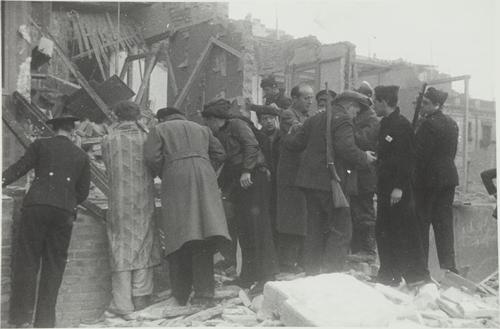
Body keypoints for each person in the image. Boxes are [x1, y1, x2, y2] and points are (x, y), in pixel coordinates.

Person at [3, 114, 91, 328]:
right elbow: (83, 192)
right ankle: (44, 322)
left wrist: (2, 180)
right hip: (64, 211)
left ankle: (20, 319)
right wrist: (67, 200)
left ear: (55, 129)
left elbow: (20, 168)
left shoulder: (40, 145)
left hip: (36, 207)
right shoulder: (81, 155)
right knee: (54, 265)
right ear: (72, 131)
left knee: (27, 262)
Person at [144, 106, 230, 306]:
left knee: (179, 235)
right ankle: (205, 294)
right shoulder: (202, 129)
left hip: (176, 178)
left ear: (162, 118)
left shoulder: (159, 129)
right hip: (205, 176)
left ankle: (181, 294)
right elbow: (220, 154)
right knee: (204, 233)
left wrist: (165, 171)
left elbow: (151, 158)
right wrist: (205, 167)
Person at [284, 91, 376, 274]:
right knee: (342, 229)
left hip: (310, 183)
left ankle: (312, 272)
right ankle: (332, 274)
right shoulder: (342, 119)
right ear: (349, 105)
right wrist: (364, 157)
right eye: (356, 110)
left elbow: (294, 144)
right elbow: (346, 148)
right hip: (332, 183)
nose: (356, 115)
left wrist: (290, 131)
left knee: (314, 229)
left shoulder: (316, 118)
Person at [202, 99, 278, 293]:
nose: (207, 126)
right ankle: (248, 276)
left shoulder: (237, 124)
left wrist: (246, 171)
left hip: (254, 178)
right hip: (240, 182)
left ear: (213, 119)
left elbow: (251, 146)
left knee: (258, 229)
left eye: (207, 121)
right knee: (244, 230)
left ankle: (266, 278)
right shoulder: (221, 132)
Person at [101, 101, 161, 317]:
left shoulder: (108, 139)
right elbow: (155, 164)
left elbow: (108, 166)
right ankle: (142, 297)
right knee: (144, 241)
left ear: (117, 117)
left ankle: (122, 303)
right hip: (143, 197)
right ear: (137, 117)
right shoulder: (146, 137)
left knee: (120, 247)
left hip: (119, 200)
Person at [372, 85, 430, 287]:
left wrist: (398, 187)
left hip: (398, 190)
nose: (373, 105)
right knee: (384, 231)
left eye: (375, 101)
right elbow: (390, 156)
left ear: (384, 102)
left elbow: (407, 159)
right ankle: (388, 274)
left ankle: (417, 277)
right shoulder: (387, 124)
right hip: (386, 187)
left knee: (403, 233)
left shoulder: (401, 125)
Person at [414, 87, 460, 274]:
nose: (422, 106)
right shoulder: (452, 123)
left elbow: (420, 155)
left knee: (421, 223)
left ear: (437, 105)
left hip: (428, 181)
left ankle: (420, 267)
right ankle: (449, 267)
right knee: (444, 224)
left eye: (426, 103)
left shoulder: (427, 124)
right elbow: (452, 152)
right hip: (448, 178)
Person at [274, 83, 315, 273]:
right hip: (291, 175)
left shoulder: (307, 117)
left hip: (303, 174)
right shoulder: (288, 115)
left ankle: (300, 261)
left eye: (311, 98)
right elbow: (299, 132)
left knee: (302, 218)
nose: (310, 101)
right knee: (291, 218)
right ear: (295, 99)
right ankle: (287, 263)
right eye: (306, 98)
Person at [348, 84, 380, 262]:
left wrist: (348, 129)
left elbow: (364, 140)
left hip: (366, 173)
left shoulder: (372, 119)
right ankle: (358, 249)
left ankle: (368, 250)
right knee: (355, 211)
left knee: (365, 211)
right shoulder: (360, 117)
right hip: (356, 172)